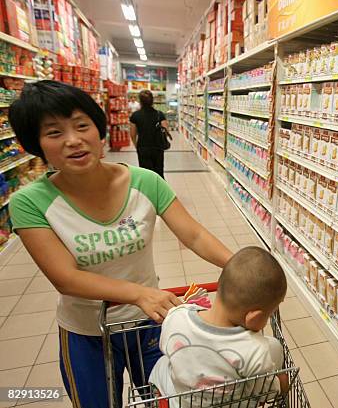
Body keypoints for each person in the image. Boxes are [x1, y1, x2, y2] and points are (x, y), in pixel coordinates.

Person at [7, 80, 233, 408]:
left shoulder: (145, 182)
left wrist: (240, 264)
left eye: (82, 125)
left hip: (150, 326)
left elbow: (193, 235)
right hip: (86, 333)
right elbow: (65, 278)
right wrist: (139, 294)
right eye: (54, 133)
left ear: (98, 129)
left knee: (169, 400)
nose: (73, 140)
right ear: (36, 144)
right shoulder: (30, 203)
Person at [150, 247, 289, 407]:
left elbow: (166, 347)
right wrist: (282, 383)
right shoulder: (255, 349)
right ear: (254, 317)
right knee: (274, 348)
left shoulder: (175, 317)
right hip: (230, 402)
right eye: (267, 315)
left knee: (162, 364)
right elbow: (264, 391)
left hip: (183, 400)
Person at [130, 90, 171, 178]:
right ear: (152, 101)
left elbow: (133, 134)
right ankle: (160, 189)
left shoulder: (135, 115)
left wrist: (136, 145)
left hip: (143, 147)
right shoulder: (159, 114)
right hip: (158, 147)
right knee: (159, 172)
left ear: (140, 101)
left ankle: (148, 190)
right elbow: (166, 131)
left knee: (146, 173)